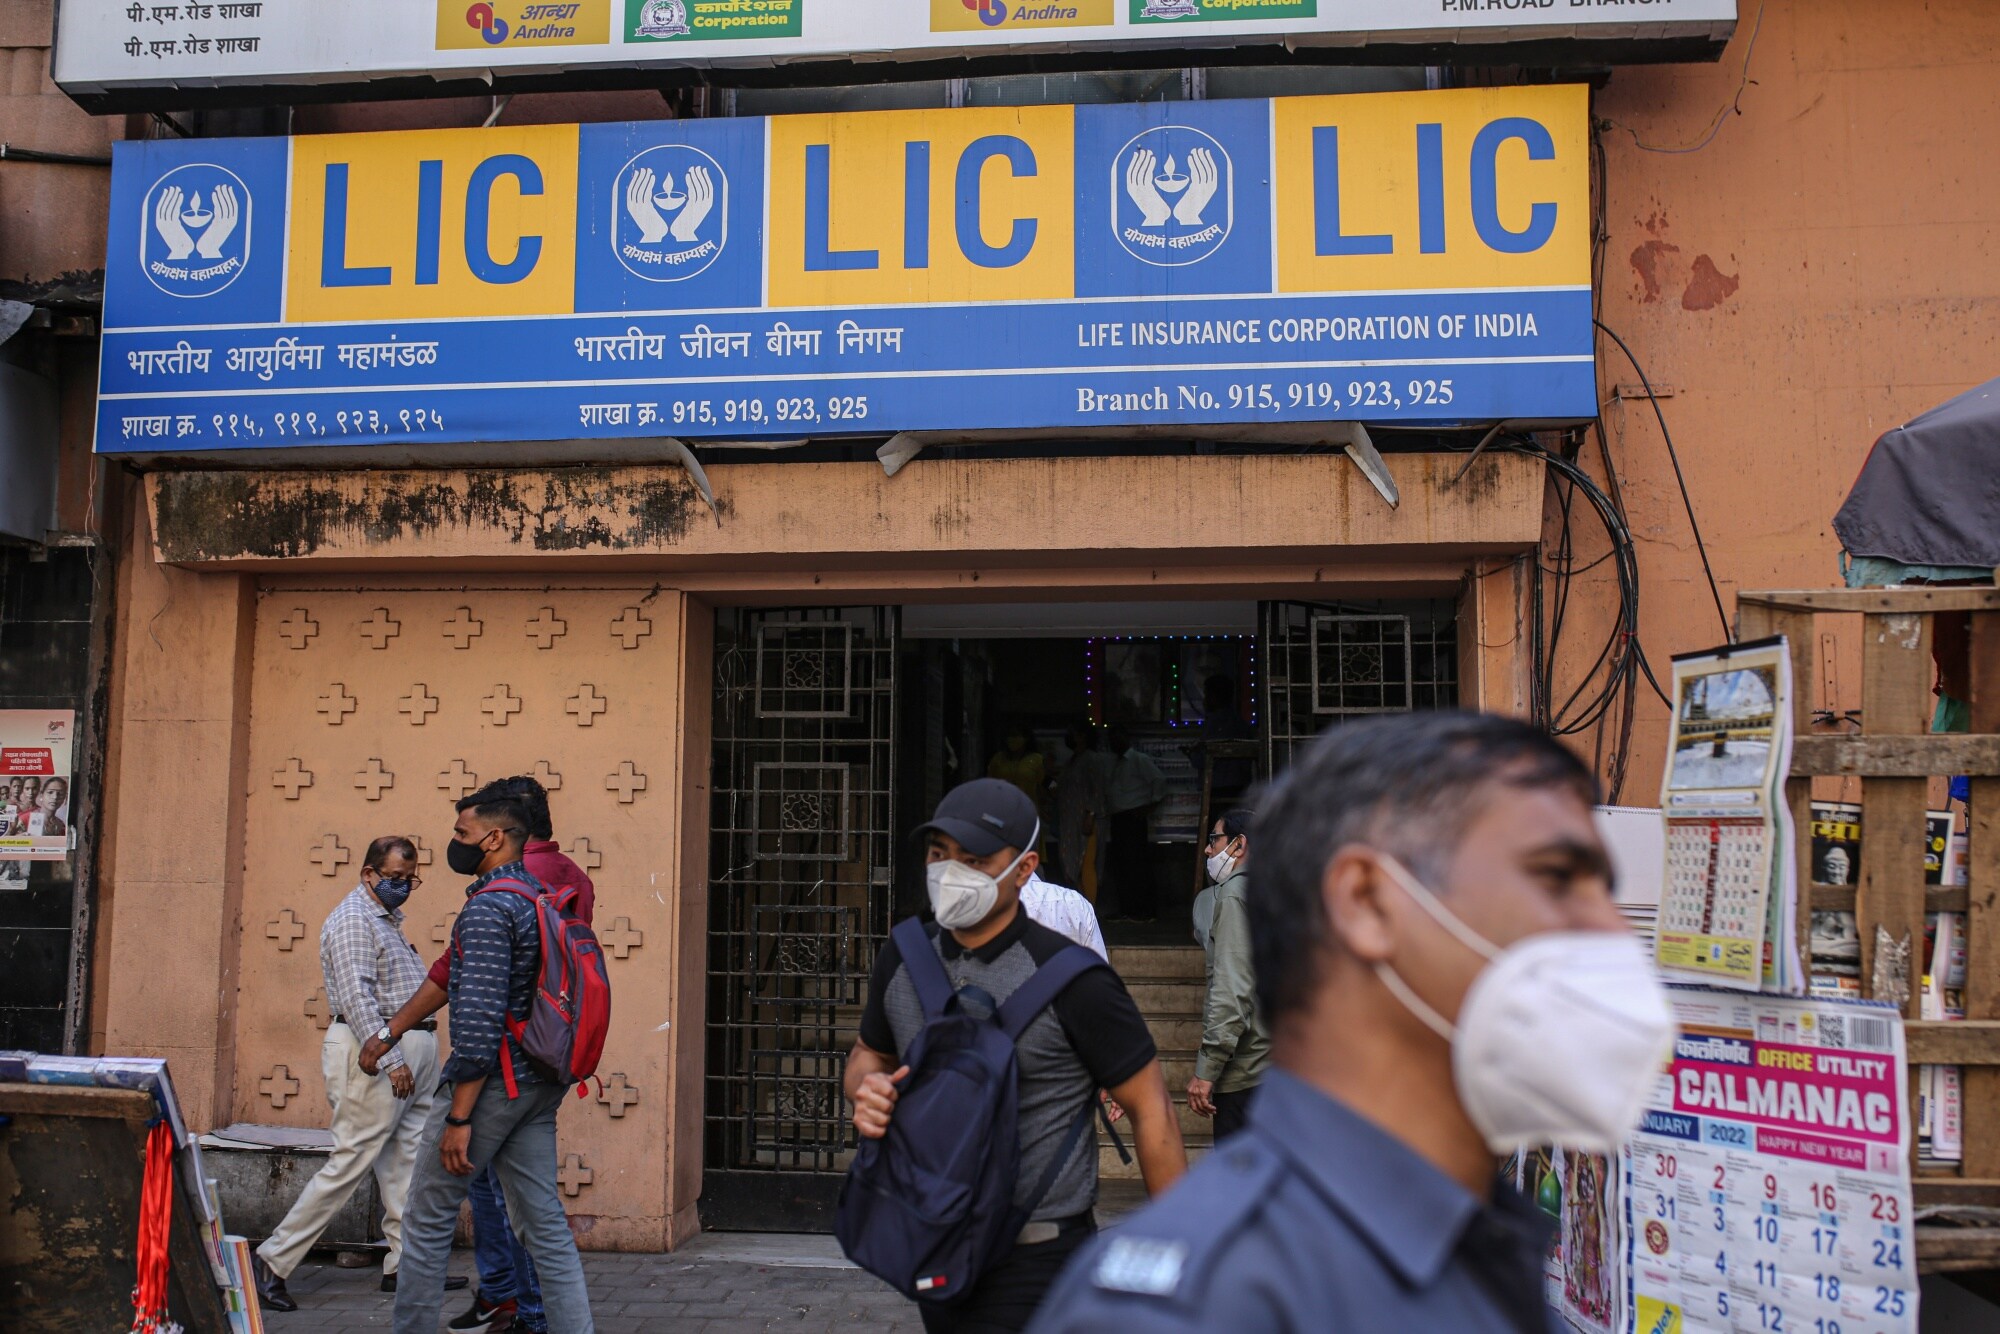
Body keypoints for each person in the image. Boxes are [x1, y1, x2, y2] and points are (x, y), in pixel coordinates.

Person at [1030, 712, 1675, 1332]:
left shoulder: (1497, 1261)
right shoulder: (1194, 1305)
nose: (1611, 934)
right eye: (1556, 877)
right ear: (1367, 902)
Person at [846, 777, 1186, 1333]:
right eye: (939, 854)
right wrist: (866, 1088)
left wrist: (1180, 1253)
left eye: (974, 859)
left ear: (1024, 869)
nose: (950, 872)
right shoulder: (902, 959)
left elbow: (1153, 1110)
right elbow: (868, 1053)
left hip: (1041, 1254)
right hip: (935, 1240)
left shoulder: (1077, 980)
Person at [365, 775, 591, 1334]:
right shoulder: (540, 896)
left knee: (427, 1217)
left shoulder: (490, 910)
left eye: (463, 832)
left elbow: (478, 1023)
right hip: (539, 1082)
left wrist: (460, 1117)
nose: (455, 843)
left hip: (494, 1084)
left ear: (493, 840)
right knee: (545, 1228)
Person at [249, 837, 463, 1312]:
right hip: (378, 1053)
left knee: (406, 1160)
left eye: (410, 879)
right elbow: (356, 997)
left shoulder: (384, 921)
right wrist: (392, 1057)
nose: (403, 887)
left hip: (410, 1050)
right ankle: (271, 1262)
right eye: (394, 879)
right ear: (368, 875)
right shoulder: (352, 921)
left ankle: (405, 1265)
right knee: (351, 1160)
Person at [1185, 809, 1266, 1141]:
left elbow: (1232, 990)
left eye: (1214, 840)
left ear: (1238, 844)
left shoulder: (1234, 895)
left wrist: (1207, 1069)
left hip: (1246, 1071)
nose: (1208, 850)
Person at [1102, 729, 1168, 922]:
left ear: (1126, 738)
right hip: (1118, 817)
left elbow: (1159, 780)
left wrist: (1151, 806)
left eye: (1117, 737)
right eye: (1111, 739)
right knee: (1121, 864)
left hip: (1133, 817)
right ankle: (1127, 909)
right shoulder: (1113, 763)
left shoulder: (1139, 759)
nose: (1113, 742)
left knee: (1137, 864)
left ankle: (1145, 911)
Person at [988, 723, 1048, 811]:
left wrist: (1056, 789)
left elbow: (1047, 781)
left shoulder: (1037, 759)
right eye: (1009, 735)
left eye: (1015, 735)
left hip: (1027, 810)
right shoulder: (998, 759)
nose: (1011, 739)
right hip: (1002, 809)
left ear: (1026, 738)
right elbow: (989, 783)